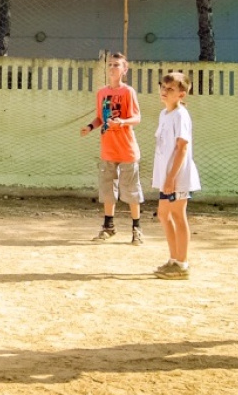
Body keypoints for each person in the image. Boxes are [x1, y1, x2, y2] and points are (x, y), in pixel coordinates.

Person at [79, 52, 144, 244]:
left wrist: (122, 122)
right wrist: (90, 127)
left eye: (117, 65)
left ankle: (136, 228)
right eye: (110, 65)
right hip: (108, 149)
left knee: (131, 190)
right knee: (108, 189)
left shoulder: (128, 92)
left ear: (125, 69)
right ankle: (108, 227)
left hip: (126, 149)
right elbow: (101, 117)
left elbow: (136, 118)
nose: (112, 68)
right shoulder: (102, 93)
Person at [151, 71, 200, 280]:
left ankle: (182, 263)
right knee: (163, 215)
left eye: (170, 89)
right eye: (163, 87)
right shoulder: (164, 114)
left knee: (178, 215)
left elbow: (181, 148)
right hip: (166, 177)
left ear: (181, 94)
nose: (164, 91)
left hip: (177, 176)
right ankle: (173, 259)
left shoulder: (181, 115)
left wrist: (171, 177)